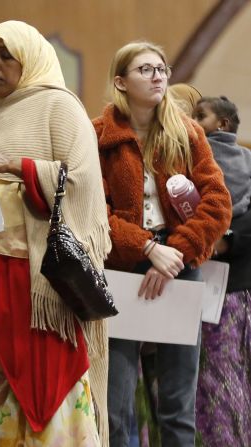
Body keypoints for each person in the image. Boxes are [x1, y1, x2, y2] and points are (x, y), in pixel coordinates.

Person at [0, 20, 112, 446]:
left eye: (5, 54)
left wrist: (16, 166)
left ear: (31, 58)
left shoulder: (60, 107)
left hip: (39, 283)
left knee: (47, 394)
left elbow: (82, 181)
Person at [94, 41, 231, 447]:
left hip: (179, 267)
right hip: (121, 271)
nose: (158, 76)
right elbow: (91, 211)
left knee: (176, 405)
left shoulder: (187, 132)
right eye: (145, 69)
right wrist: (147, 248)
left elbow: (217, 203)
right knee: (117, 406)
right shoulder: (98, 135)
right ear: (121, 81)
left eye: (162, 69)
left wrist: (178, 251)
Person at [192, 95, 251, 445]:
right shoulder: (186, 160)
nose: (193, 122)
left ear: (223, 124)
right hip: (194, 283)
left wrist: (223, 238)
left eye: (201, 115)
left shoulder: (243, 162)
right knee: (210, 382)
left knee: (227, 380)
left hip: (235, 287)